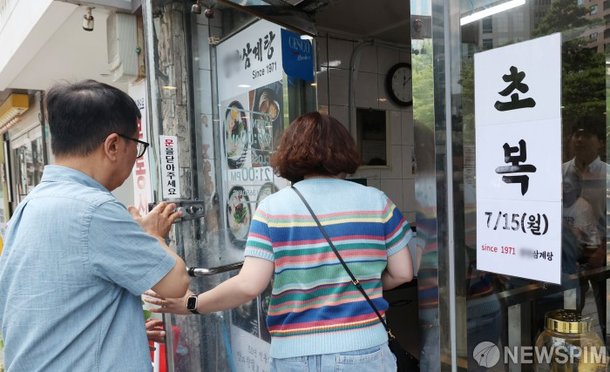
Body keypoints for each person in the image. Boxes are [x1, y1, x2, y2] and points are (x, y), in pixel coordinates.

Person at [145, 112, 414, 371]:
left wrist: (193, 304)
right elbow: (404, 273)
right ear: (345, 149)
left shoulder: (273, 208)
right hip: (364, 348)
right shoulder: (376, 201)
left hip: (295, 354)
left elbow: (249, 285)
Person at [0, 79, 190, 372]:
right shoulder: (94, 209)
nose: (134, 156)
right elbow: (176, 283)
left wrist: (121, 333)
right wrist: (152, 234)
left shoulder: (29, 206)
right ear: (113, 145)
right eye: (136, 146)